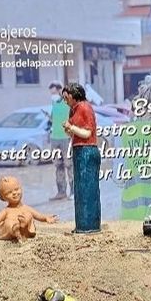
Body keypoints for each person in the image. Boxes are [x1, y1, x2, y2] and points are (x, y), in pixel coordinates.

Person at [62, 83, 101, 234]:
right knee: (80, 190)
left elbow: (86, 133)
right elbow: (73, 134)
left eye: (67, 97)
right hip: (78, 151)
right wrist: (69, 129)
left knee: (87, 190)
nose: (65, 101)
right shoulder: (73, 110)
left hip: (87, 151)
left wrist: (71, 128)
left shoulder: (84, 107)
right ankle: (82, 225)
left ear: (73, 95)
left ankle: (89, 225)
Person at [48, 82, 72, 201]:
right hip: (54, 138)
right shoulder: (53, 103)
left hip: (66, 138)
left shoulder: (67, 101)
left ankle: (73, 193)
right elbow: (53, 118)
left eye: (53, 92)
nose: (52, 95)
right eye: (51, 93)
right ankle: (61, 192)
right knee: (58, 165)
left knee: (69, 165)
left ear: (59, 91)